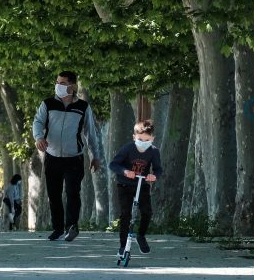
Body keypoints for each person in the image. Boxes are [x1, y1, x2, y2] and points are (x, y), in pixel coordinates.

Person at [32, 70, 102, 241]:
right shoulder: (47, 104)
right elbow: (38, 122)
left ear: (72, 86)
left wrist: (96, 156)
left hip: (74, 157)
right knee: (54, 194)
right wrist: (38, 137)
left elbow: (90, 133)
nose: (58, 86)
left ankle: (72, 226)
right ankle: (57, 228)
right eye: (57, 82)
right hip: (52, 156)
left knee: (72, 192)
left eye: (62, 83)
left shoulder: (82, 107)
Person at [108, 119, 163, 257]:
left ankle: (141, 236)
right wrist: (125, 172)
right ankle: (122, 246)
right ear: (134, 137)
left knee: (147, 212)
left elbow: (158, 170)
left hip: (141, 184)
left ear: (152, 139)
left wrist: (154, 176)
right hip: (125, 185)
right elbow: (113, 165)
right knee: (125, 214)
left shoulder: (154, 152)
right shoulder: (128, 148)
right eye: (140, 139)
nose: (143, 143)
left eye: (147, 140)